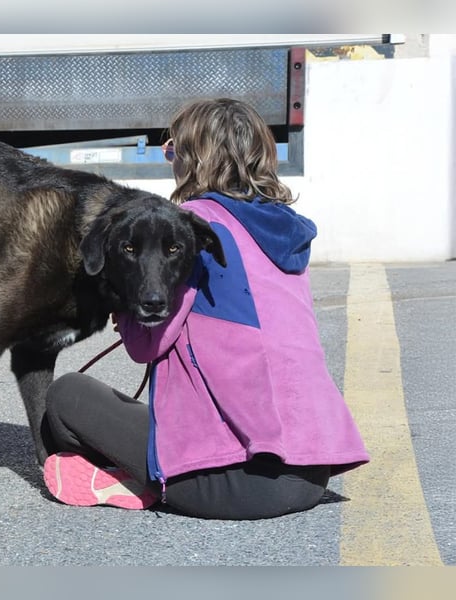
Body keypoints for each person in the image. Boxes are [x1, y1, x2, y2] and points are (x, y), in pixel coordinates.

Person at [41, 98, 369, 520]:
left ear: (194, 158)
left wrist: (119, 306)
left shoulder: (193, 226)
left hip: (226, 485)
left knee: (67, 396)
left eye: (173, 149)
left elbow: (146, 346)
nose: (171, 160)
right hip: (310, 474)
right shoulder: (284, 231)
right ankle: (135, 474)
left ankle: (136, 482)